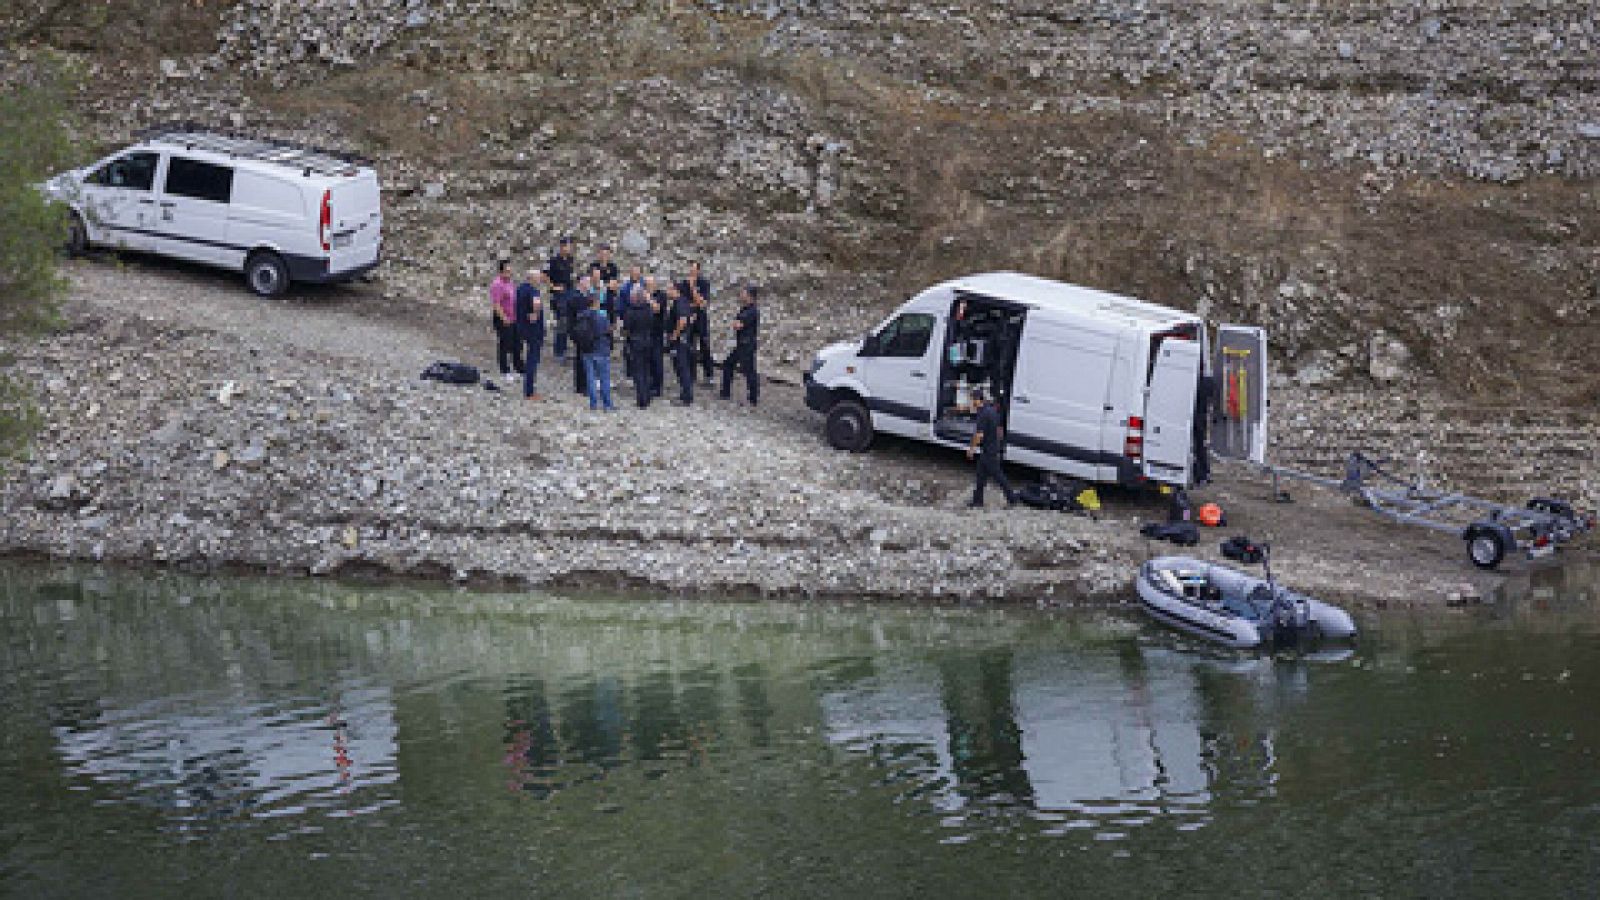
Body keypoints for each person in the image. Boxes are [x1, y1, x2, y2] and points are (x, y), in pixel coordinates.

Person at [967, 390, 1017, 508]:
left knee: (998, 476)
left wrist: (971, 449)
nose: (971, 402)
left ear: (977, 400)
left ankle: (1012, 498)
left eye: (972, 400)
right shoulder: (992, 410)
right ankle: (977, 501)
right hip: (992, 448)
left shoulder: (983, 415)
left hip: (989, 450)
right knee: (981, 475)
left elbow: (979, 435)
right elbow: (999, 429)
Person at [719, 283, 760, 405]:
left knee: (749, 371)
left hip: (746, 345)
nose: (742, 295)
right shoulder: (745, 309)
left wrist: (736, 323)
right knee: (728, 365)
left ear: (750, 296)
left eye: (744, 293)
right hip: (742, 344)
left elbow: (738, 325)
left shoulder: (752, 311)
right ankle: (726, 392)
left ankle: (753, 397)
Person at [678, 261, 714, 383]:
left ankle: (709, 375)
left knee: (705, 345)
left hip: (701, 318)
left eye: (694, 270)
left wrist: (693, 288)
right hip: (689, 317)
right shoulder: (683, 284)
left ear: (698, 271)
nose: (691, 272)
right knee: (689, 346)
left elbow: (702, 302)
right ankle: (691, 375)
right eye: (690, 269)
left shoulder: (704, 283)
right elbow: (682, 301)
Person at [622, 285, 657, 408]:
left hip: (635, 342)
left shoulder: (630, 312)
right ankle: (647, 396)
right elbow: (652, 323)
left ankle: (642, 399)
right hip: (647, 341)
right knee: (646, 369)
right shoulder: (648, 310)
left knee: (638, 371)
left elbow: (626, 329)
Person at [515, 269, 547, 400]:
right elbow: (536, 305)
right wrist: (536, 313)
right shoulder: (533, 291)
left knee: (530, 357)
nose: (540, 280)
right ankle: (529, 391)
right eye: (538, 278)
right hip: (534, 330)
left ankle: (528, 389)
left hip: (523, 327)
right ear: (532, 278)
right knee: (533, 359)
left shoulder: (520, 289)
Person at [581, 292, 616, 412]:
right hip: (600, 349)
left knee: (590, 378)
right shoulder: (601, 318)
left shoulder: (581, 316)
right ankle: (607, 405)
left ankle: (593, 404)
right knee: (604, 378)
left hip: (586, 350)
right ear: (596, 303)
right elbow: (607, 332)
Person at [490, 260, 523, 380]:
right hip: (503, 318)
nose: (509, 274)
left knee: (517, 343)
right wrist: (504, 318)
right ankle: (504, 370)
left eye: (510, 271)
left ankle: (519, 367)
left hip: (514, 317)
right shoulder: (497, 284)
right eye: (507, 271)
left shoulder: (510, 282)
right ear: (501, 272)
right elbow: (496, 304)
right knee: (505, 343)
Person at [666, 282, 696, 406]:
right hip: (684, 340)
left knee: (682, 368)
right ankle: (685, 393)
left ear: (675, 290)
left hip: (680, 342)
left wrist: (674, 335)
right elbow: (692, 317)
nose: (668, 291)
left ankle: (686, 397)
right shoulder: (683, 302)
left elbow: (682, 321)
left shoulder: (680, 303)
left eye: (669, 289)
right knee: (682, 368)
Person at [570, 274, 593, 395]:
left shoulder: (583, 296)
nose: (589, 284)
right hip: (580, 332)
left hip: (583, 331)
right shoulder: (576, 297)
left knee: (583, 357)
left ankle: (584, 384)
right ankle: (581, 386)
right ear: (581, 283)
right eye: (587, 282)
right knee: (581, 358)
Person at [1192, 371, 1216, 485]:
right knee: (1201, 447)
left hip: (1196, 419)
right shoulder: (1208, 383)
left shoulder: (1197, 383)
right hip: (1202, 419)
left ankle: (1201, 474)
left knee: (1197, 447)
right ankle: (1204, 473)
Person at [646, 276, 666, 398]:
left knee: (657, 360)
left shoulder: (661, 296)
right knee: (647, 360)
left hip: (656, 333)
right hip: (646, 333)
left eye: (649, 284)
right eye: (646, 284)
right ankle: (649, 384)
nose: (647, 286)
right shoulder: (643, 294)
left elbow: (657, 309)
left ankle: (657, 387)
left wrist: (648, 299)